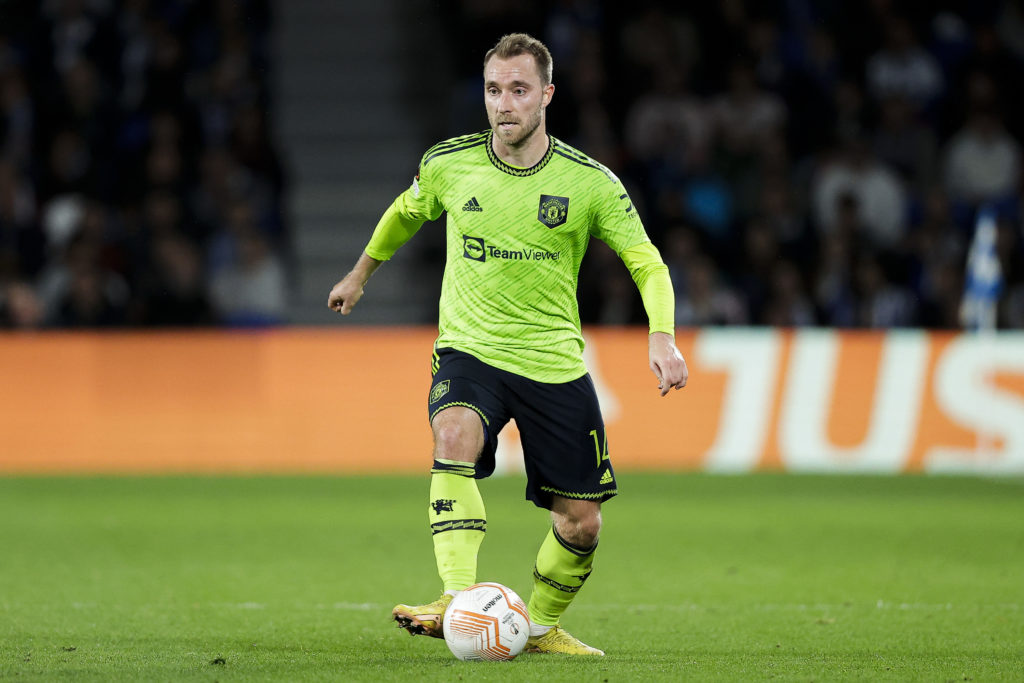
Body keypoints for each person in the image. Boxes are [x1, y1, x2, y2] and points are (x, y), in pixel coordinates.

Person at [327, 33, 687, 656]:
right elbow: (407, 212)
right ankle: (454, 597)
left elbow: (647, 262)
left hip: (552, 363)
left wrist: (663, 337)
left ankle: (541, 627)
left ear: (547, 94)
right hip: (470, 348)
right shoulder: (449, 163)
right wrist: (360, 274)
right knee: (453, 434)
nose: (504, 104)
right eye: (494, 90)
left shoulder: (590, 182)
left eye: (519, 90)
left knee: (581, 522)